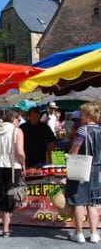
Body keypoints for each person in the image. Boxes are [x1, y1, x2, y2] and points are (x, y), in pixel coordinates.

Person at [0, 110, 25, 239]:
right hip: (12, 165)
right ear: (13, 119)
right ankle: (6, 229)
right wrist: (24, 164)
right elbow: (20, 151)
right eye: (18, 119)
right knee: (9, 195)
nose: (18, 122)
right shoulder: (16, 131)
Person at [65, 103, 101, 244]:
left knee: (79, 201)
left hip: (82, 166)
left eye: (81, 114)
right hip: (97, 169)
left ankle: (79, 234)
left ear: (87, 115)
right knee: (93, 203)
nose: (80, 117)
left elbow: (75, 149)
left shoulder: (82, 130)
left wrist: (69, 159)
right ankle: (94, 234)